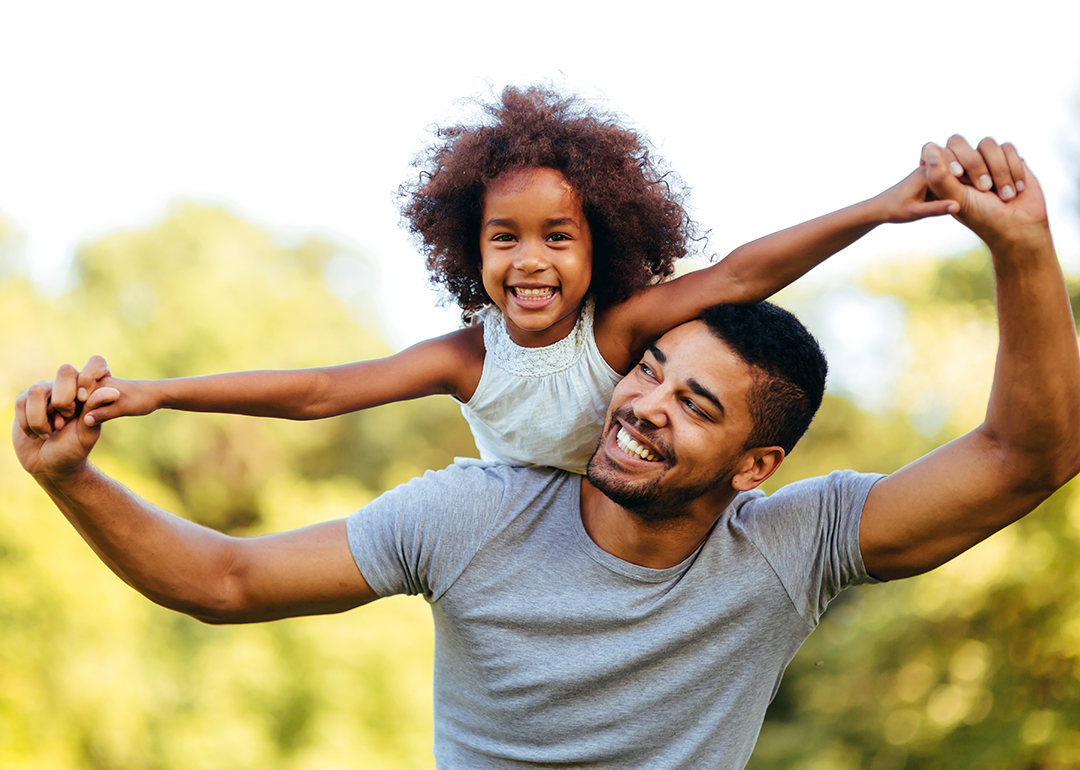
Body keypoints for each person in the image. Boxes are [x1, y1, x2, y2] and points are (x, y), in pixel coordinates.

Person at [14, 136, 1077, 768]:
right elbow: (224, 575)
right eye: (649, 366)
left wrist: (1022, 247)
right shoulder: (473, 511)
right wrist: (73, 475)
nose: (642, 400)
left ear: (756, 464)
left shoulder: (792, 545)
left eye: (695, 400)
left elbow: (1027, 455)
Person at [60, 85, 960, 474]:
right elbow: (323, 390)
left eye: (558, 237)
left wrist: (876, 209)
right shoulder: (466, 357)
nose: (530, 261)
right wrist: (158, 393)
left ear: (599, 245)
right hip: (515, 543)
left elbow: (742, 272)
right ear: (470, 248)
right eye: (504, 238)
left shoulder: (615, 334)